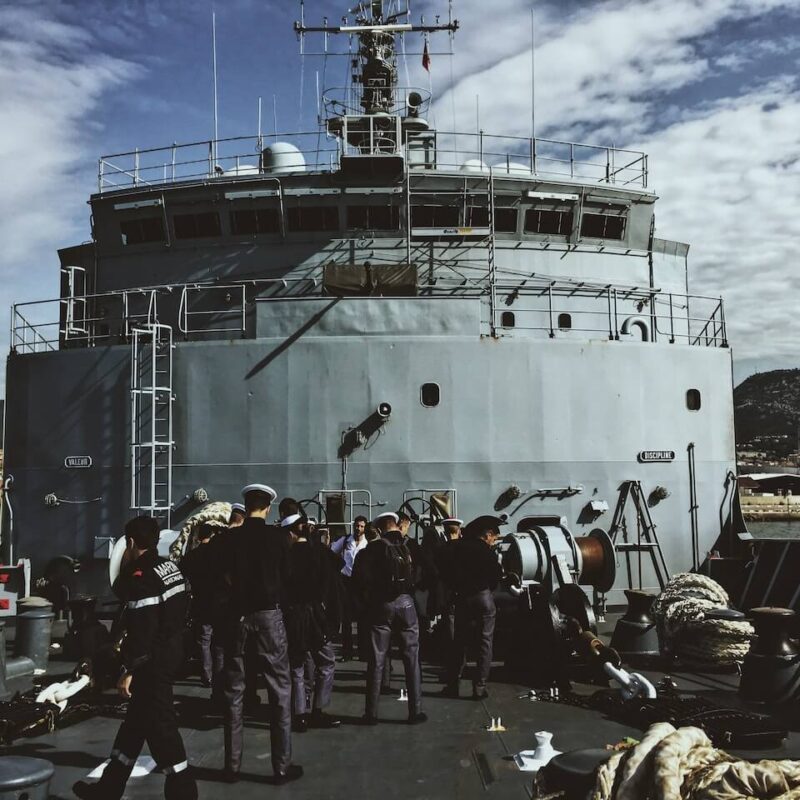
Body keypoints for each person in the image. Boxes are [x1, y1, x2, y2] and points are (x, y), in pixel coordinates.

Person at [73, 516, 197, 800]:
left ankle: (184, 792)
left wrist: (129, 670)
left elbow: (142, 630)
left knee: (162, 728)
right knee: (134, 728)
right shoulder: (170, 568)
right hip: (170, 653)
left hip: (152, 663)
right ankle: (108, 789)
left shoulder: (142, 578)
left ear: (130, 543)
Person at [220, 484, 302, 785]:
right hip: (269, 616)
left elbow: (222, 575)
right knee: (279, 689)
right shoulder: (278, 538)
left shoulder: (230, 538)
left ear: (246, 504)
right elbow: (288, 576)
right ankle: (281, 767)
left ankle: (232, 767)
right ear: (268, 508)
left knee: (235, 691)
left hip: (238, 617)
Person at [352, 511, 426, 725]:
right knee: (412, 658)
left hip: (381, 606)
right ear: (396, 525)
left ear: (379, 528)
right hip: (406, 604)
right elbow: (428, 571)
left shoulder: (371, 549)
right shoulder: (410, 546)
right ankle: (416, 711)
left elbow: (359, 580)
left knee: (377, 659)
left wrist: (370, 601)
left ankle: (371, 713)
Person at [282, 512, 341, 732]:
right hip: (315, 614)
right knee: (326, 661)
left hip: (292, 615)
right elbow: (336, 571)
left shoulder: (286, 555)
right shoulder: (319, 552)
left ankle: (299, 715)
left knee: (296, 665)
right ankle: (319, 710)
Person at [439, 515, 504, 700]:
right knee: (485, 642)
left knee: (459, 642)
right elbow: (495, 577)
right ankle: (479, 688)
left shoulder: (458, 548)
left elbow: (447, 572)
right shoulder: (487, 552)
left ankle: (453, 685)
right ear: (487, 534)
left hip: (463, 598)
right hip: (483, 598)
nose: (493, 541)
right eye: (493, 537)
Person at [180, 522, 222, 690]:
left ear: (198, 537)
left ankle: (207, 676)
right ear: (211, 536)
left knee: (204, 641)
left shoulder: (191, 556)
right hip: (218, 602)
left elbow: (182, 574)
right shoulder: (218, 555)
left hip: (200, 601)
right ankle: (219, 675)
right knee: (219, 642)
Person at [330, 515, 369, 661]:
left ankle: (363, 652)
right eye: (357, 526)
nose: (358, 529)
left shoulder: (367, 543)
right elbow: (332, 551)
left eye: (361, 526)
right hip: (346, 581)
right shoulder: (346, 540)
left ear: (365, 528)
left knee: (362, 619)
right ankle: (347, 653)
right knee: (346, 619)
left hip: (361, 583)